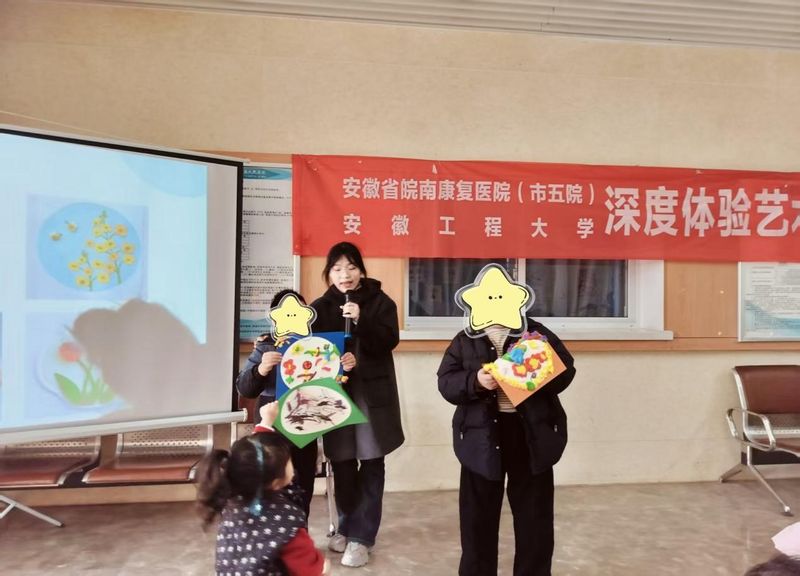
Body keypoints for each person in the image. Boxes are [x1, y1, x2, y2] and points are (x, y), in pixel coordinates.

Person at [437, 318, 576, 576]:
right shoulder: (466, 337)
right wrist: (475, 381)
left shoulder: (535, 332)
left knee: (535, 517)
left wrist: (539, 369)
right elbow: (446, 383)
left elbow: (566, 372)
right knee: (477, 517)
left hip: (530, 435)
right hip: (481, 437)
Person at [309, 241, 404, 568]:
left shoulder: (381, 302)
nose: (344, 274)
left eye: (351, 267)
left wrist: (361, 319)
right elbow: (312, 351)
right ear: (329, 273)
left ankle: (362, 538)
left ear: (361, 270)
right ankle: (347, 526)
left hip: (371, 396)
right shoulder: (320, 308)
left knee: (373, 462)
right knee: (343, 464)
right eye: (337, 268)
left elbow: (388, 341)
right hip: (335, 397)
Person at [236, 288, 356, 519]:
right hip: (271, 426)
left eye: (301, 310)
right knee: (270, 485)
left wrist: (346, 365)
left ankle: (299, 533)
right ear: (275, 316)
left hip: (304, 425)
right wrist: (261, 368)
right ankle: (272, 535)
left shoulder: (319, 345)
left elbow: (334, 384)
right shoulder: (266, 345)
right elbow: (245, 388)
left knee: (302, 485)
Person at [195, 402, 330, 576]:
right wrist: (323, 567)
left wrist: (266, 421)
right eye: (288, 460)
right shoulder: (288, 520)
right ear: (277, 480)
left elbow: (256, 454)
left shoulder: (231, 500)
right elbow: (309, 569)